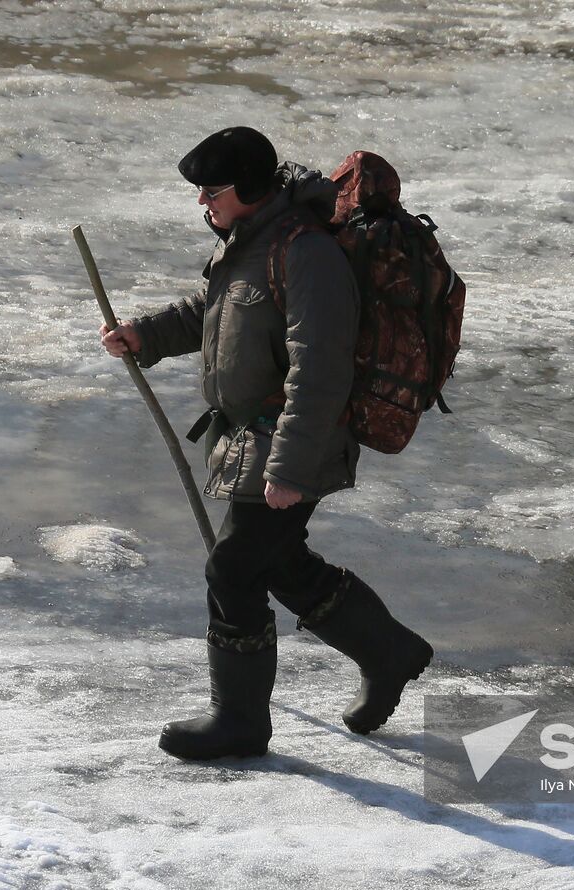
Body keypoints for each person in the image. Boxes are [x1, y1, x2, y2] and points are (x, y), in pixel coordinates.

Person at [100, 126, 434, 760]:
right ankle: (390, 653)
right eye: (200, 191)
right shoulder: (249, 244)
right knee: (277, 562)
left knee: (232, 568)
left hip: (291, 441)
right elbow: (214, 311)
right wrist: (144, 336)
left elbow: (321, 369)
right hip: (252, 441)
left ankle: (241, 723)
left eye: (213, 190)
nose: (204, 202)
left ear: (250, 188)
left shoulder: (306, 254)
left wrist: (290, 467)